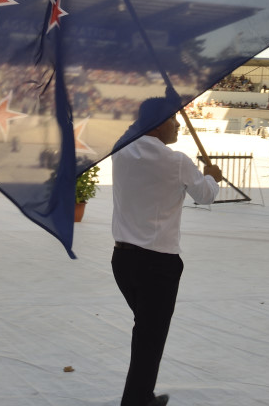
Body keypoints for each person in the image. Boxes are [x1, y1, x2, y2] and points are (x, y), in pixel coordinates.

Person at [111, 98, 223, 406]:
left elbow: (135, 126)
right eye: (173, 119)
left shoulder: (121, 150)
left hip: (122, 260)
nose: (178, 125)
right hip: (157, 264)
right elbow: (205, 196)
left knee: (146, 332)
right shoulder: (177, 161)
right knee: (150, 337)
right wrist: (213, 175)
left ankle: (140, 395)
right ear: (159, 123)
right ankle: (136, 401)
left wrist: (160, 105)